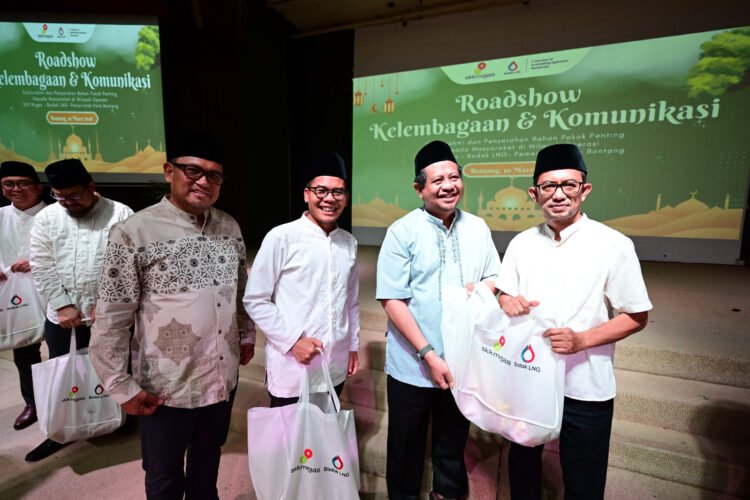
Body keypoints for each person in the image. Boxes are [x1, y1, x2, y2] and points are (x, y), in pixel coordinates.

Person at [88, 130, 254, 499]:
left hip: (221, 377)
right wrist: (119, 384)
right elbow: (112, 316)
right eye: (193, 170)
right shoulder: (133, 232)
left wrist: (246, 335)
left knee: (207, 464)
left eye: (214, 175)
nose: (204, 182)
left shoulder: (229, 227)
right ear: (169, 171)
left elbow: (240, 291)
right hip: (166, 387)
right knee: (164, 477)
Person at [497, 143, 652, 500]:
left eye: (568, 184)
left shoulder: (613, 244)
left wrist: (582, 340)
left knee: (584, 481)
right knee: (522, 471)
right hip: (528, 379)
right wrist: (507, 301)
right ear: (534, 194)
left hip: (585, 385)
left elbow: (636, 316)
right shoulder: (521, 244)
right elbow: (504, 294)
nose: (558, 194)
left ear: (585, 190)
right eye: (548, 186)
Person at [376, 140, 501, 500]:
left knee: (451, 446)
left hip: (462, 361)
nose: (448, 186)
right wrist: (428, 354)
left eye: (454, 177)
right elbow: (392, 299)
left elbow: (494, 276)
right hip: (413, 364)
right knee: (405, 449)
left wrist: (483, 288)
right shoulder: (402, 231)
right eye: (437, 180)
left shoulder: (477, 227)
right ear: (419, 189)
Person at [26, 158, 133, 462]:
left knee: (114, 367)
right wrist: (62, 304)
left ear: (91, 186)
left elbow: (126, 264)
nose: (68, 203)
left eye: (74, 195)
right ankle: (62, 429)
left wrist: (109, 303)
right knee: (64, 372)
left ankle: (116, 418)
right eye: (60, 197)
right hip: (63, 317)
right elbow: (41, 264)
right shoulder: (47, 218)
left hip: (109, 314)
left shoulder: (120, 214)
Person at [243, 151, 359, 407]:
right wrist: (293, 341)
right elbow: (255, 299)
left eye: (338, 192)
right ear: (306, 194)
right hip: (293, 363)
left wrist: (352, 345)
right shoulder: (281, 237)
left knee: (327, 430)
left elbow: (350, 302)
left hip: (334, 363)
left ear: (346, 199)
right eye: (321, 190)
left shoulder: (348, 242)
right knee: (291, 433)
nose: (330, 199)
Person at [0, 161, 47, 431]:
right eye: (9, 184)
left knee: (64, 351)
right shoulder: (1, 216)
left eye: (23, 183)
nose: (15, 189)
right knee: (24, 351)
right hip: (15, 298)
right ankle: (33, 403)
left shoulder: (55, 215)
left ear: (38, 188)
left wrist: (36, 262)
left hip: (53, 294)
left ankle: (68, 400)